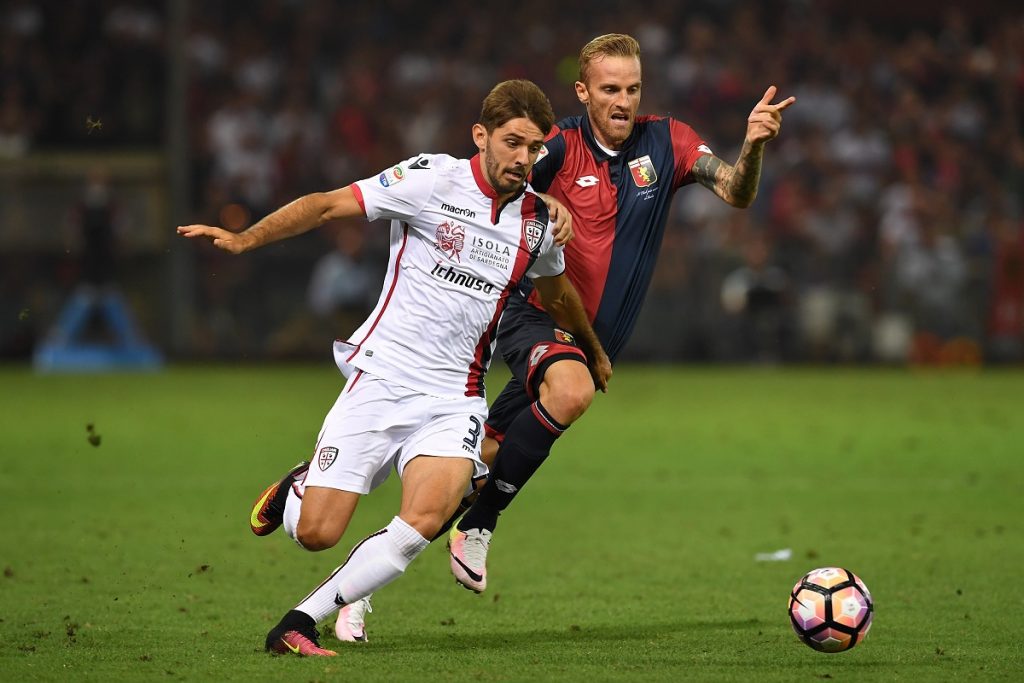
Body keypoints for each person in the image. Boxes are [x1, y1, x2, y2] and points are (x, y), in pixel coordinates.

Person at [178, 79, 611, 657]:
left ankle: (298, 621)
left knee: (424, 520)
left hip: (456, 396)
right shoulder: (431, 179)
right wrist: (243, 239)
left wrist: (593, 348)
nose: (523, 158)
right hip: (382, 379)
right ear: (480, 135)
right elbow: (329, 204)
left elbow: (556, 293)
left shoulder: (537, 223)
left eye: (534, 148)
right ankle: (298, 487)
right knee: (317, 533)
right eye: (512, 142)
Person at [447, 34, 795, 593]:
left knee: (475, 463)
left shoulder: (668, 141)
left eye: (632, 88)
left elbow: (736, 192)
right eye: (610, 88)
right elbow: (494, 188)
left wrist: (753, 144)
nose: (623, 100)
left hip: (587, 343)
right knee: (570, 393)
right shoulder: (556, 144)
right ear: (584, 91)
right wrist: (543, 203)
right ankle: (483, 525)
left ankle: (362, 586)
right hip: (533, 313)